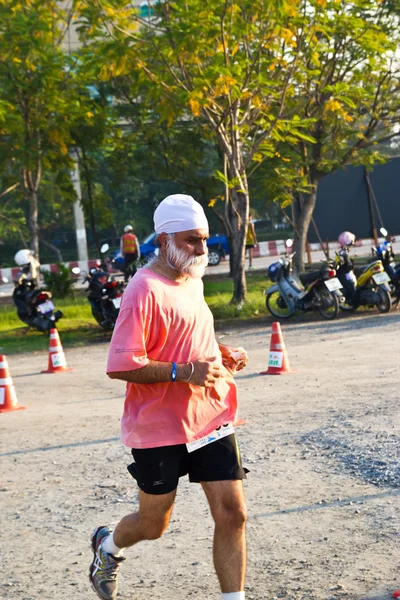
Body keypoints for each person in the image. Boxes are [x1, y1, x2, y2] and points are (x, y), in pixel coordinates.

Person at [89, 194, 249, 600]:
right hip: (159, 426)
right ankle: (108, 547)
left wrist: (221, 354)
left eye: (205, 240)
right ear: (164, 240)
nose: (202, 250)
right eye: (192, 240)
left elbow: (190, 339)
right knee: (152, 525)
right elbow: (120, 364)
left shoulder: (191, 280)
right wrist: (183, 372)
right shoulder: (143, 289)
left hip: (209, 416)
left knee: (233, 514)